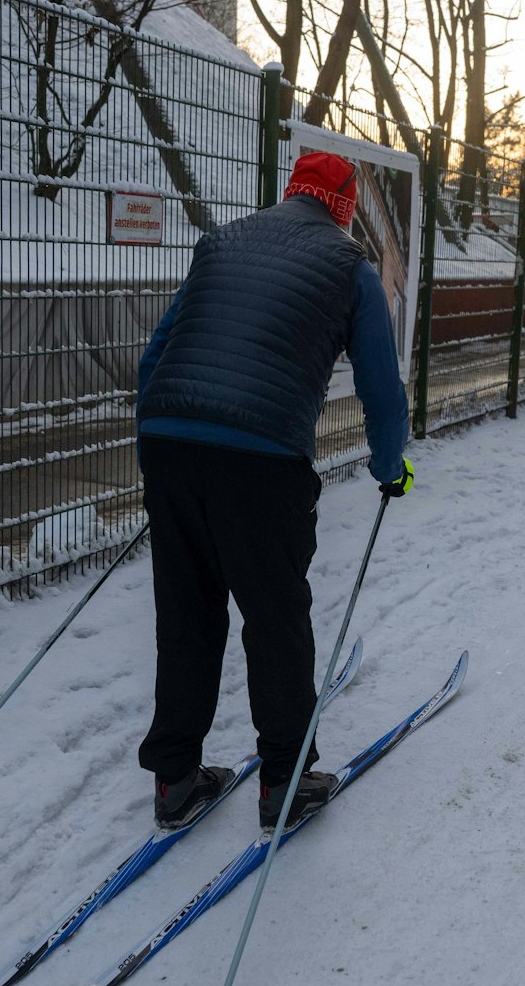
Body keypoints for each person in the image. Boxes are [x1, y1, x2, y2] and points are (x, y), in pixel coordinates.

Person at [133, 150, 414, 832]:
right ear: (344, 207)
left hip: (169, 436)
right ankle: (285, 781)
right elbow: (382, 388)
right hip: (262, 455)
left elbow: (158, 351)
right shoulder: (350, 268)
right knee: (275, 612)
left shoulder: (220, 241)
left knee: (188, 611)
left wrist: (170, 455)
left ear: (291, 191)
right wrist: (389, 467)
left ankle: (174, 778)